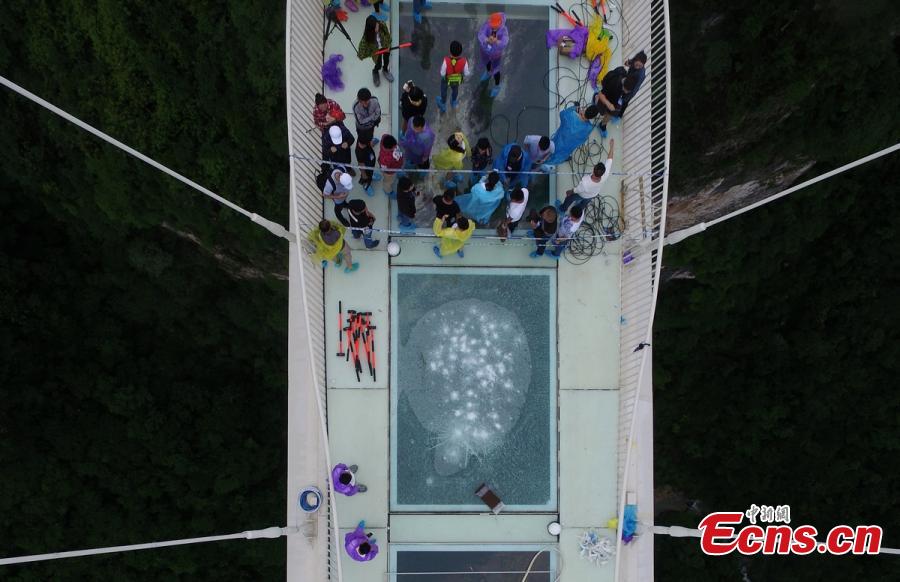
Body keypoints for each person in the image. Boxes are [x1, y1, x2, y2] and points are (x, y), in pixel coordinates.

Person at [559, 138, 615, 211]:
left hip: (582, 194)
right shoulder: (605, 175)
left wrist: (570, 191)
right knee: (583, 205)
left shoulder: (585, 181)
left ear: (594, 168)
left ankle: (562, 209)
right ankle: (578, 210)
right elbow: (609, 160)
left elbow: (577, 190)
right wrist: (611, 147)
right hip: (592, 195)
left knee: (570, 198)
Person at [593, 67, 638, 137]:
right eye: (627, 91)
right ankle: (595, 98)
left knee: (613, 112)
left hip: (614, 97)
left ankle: (602, 125)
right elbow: (601, 94)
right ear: (624, 86)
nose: (627, 92)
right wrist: (609, 104)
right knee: (602, 108)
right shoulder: (613, 83)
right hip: (605, 96)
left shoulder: (627, 79)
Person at [477, 12, 509, 98]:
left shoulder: (503, 29)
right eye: (492, 24)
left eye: (495, 25)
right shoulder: (487, 25)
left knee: (496, 70)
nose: (493, 26)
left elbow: (505, 41)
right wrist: (486, 39)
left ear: (500, 23)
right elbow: (480, 34)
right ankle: (488, 73)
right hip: (485, 51)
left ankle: (497, 85)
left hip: (496, 54)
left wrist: (496, 41)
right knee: (487, 63)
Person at [357, 15, 394, 87]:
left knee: (386, 60)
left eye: (377, 25)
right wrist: (361, 54)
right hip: (376, 52)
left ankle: (385, 70)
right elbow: (362, 45)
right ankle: (375, 72)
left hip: (385, 47)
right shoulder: (367, 36)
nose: (377, 27)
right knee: (378, 63)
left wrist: (389, 44)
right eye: (375, 27)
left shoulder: (382, 25)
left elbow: (387, 35)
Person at [436, 41, 469, 113]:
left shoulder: (446, 61)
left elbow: (442, 73)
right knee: (455, 90)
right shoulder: (464, 61)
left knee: (443, 91)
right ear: (460, 52)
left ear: (450, 51)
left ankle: (443, 103)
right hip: (456, 80)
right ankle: (453, 102)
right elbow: (466, 73)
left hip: (446, 80)